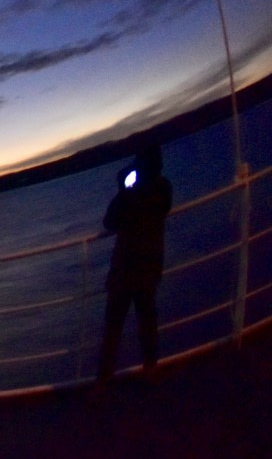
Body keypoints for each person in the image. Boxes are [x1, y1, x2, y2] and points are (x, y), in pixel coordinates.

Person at [96, 145, 172, 385]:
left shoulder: (137, 194)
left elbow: (110, 222)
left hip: (125, 270)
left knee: (113, 329)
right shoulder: (163, 189)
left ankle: (104, 382)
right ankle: (150, 371)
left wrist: (123, 188)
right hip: (149, 267)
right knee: (146, 322)